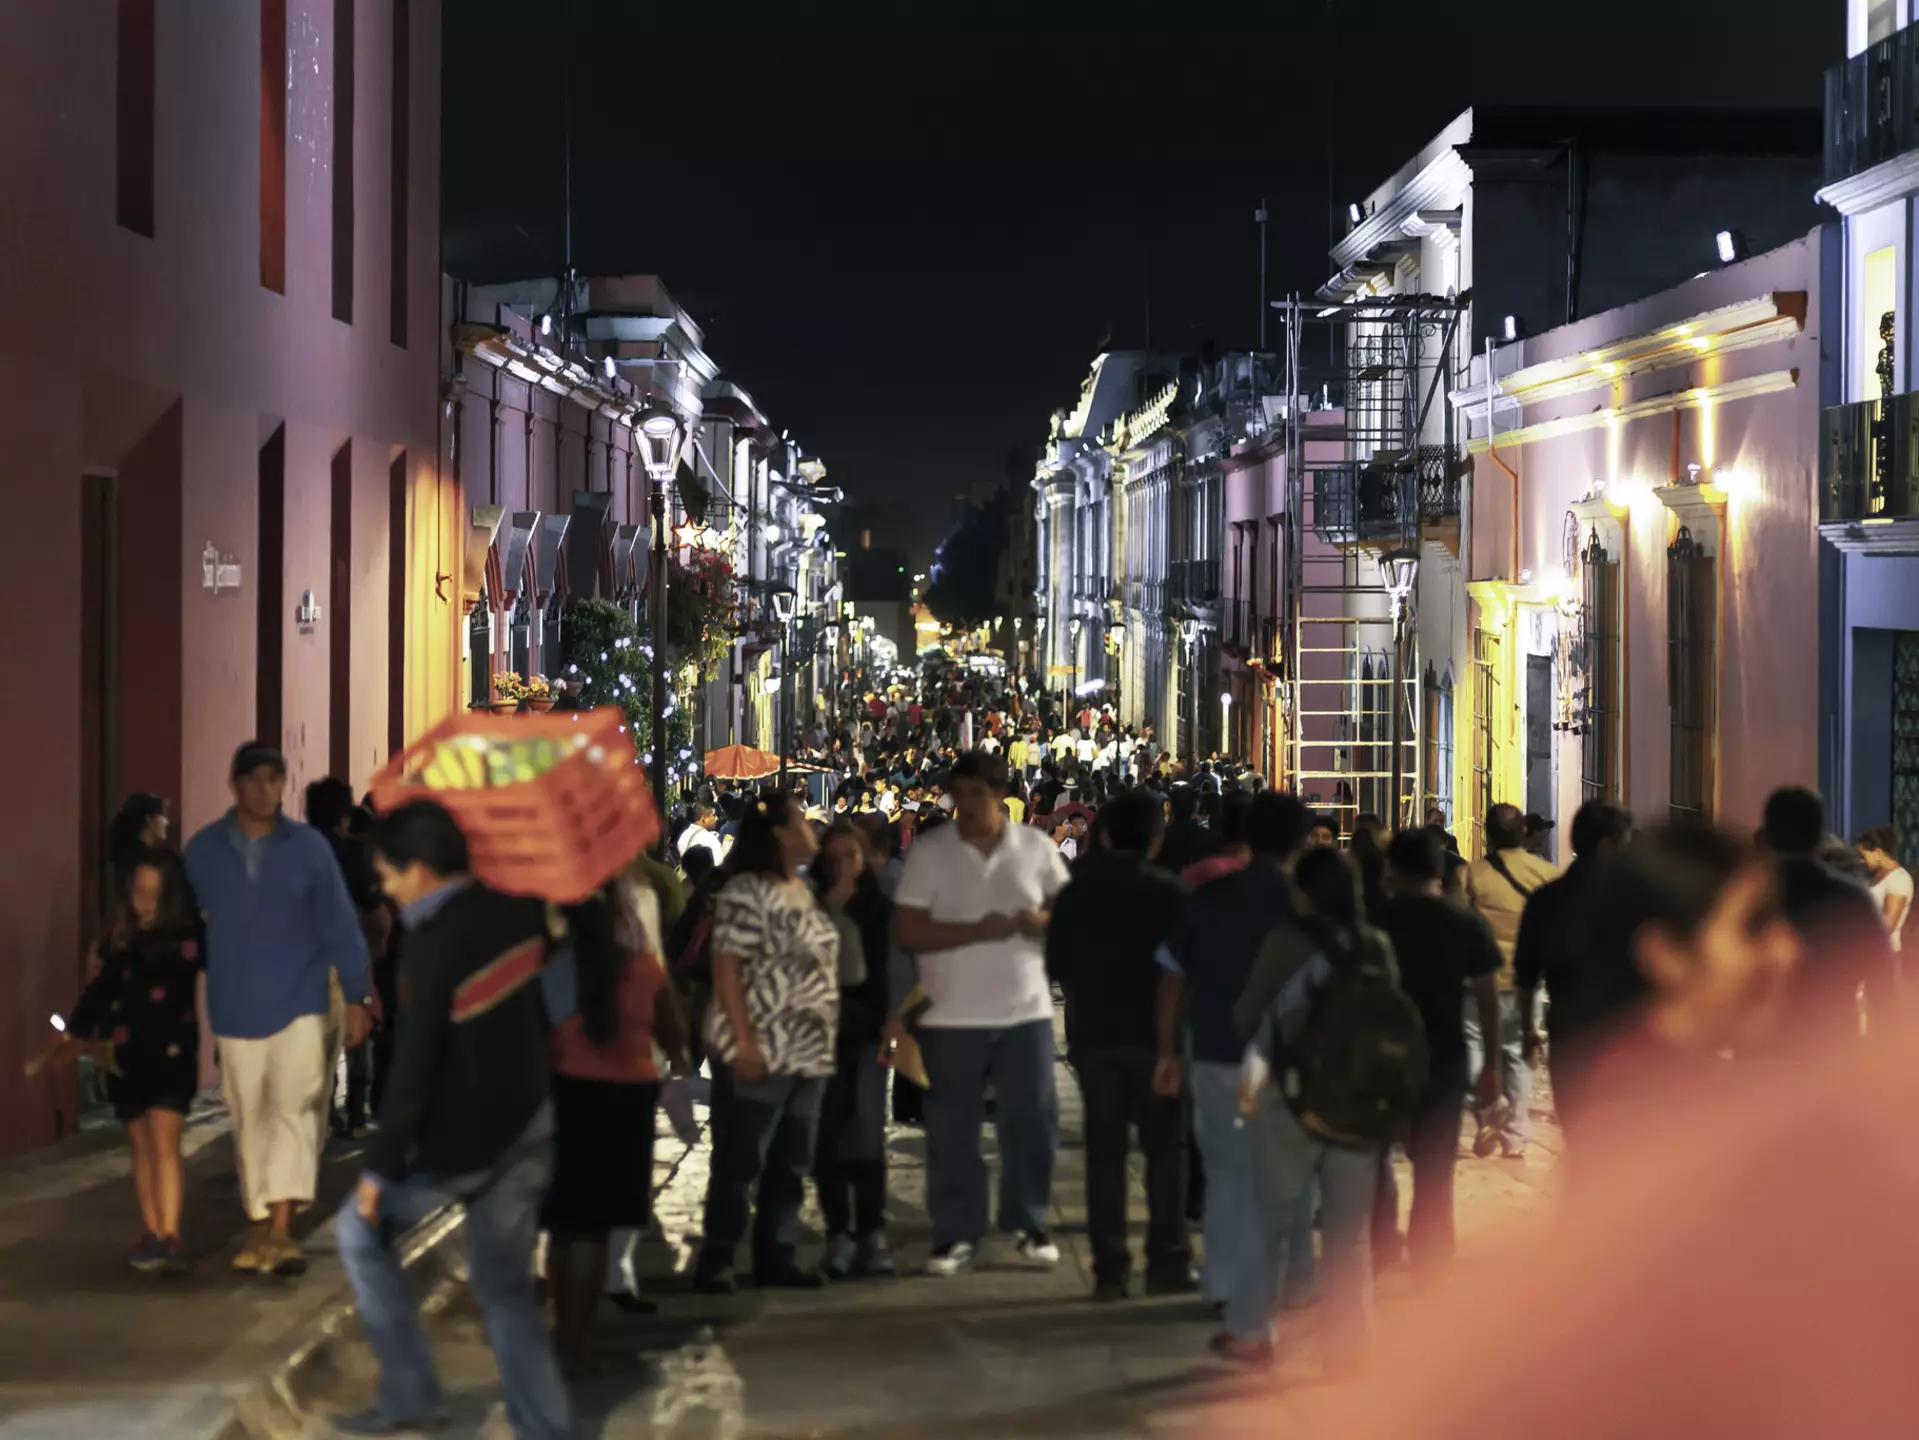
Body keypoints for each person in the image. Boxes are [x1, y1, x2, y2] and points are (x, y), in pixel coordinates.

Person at [333, 801, 571, 1440]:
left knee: (358, 1233)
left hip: (468, 1144)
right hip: (529, 1129)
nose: (384, 886)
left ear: (421, 868)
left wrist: (378, 1171)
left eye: (388, 871)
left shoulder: (432, 945)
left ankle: (411, 1393)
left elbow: (413, 1069)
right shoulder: (519, 913)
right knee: (505, 1291)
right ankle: (546, 1427)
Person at [183, 742, 373, 1277]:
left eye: (274, 779)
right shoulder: (203, 852)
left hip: (300, 1001)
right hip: (236, 1006)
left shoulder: (309, 850)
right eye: (254, 779)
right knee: (250, 1116)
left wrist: (357, 994)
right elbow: (182, 925)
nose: (265, 790)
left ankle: (281, 1227)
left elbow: (339, 921)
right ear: (236, 785)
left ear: (283, 785)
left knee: (293, 1111)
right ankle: (261, 1216)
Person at [893, 749, 1069, 1276]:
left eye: (976, 794)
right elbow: (908, 928)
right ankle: (955, 1231)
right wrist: (975, 930)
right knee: (951, 1127)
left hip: (1026, 1010)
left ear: (997, 795)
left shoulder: (1034, 848)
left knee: (1033, 1119)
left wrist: (1041, 920)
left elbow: (1067, 910)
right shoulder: (932, 853)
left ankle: (1029, 1220)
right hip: (952, 1013)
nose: (965, 805)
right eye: (959, 794)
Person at [1229, 847, 1399, 1374]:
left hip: (1293, 1100)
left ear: (1304, 894)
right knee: (1348, 1237)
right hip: (1357, 1107)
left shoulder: (1284, 942)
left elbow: (1246, 1015)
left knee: (1271, 1220)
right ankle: (1348, 1347)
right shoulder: (1376, 945)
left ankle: (1253, 1332)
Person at [1156, 792, 1310, 1331]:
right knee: (1287, 1176)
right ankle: (1286, 1284)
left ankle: (1221, 1282)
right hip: (1286, 1060)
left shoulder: (1212, 897)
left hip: (1218, 1053)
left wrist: (1167, 1051)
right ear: (1299, 841)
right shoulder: (1305, 902)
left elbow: (1172, 980)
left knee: (1225, 1172)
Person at [1046, 791, 1191, 1300]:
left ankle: (1110, 1269)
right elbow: (1188, 971)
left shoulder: (1077, 889)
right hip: (1158, 1039)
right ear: (1155, 840)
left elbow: (1054, 964)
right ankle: (1166, 1262)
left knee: (1105, 1156)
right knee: (1165, 1153)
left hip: (1095, 1036)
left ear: (1103, 836)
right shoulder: (1172, 893)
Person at [694, 792, 842, 1294]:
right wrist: (742, 1039)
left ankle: (776, 1254)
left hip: (807, 1048)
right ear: (778, 832)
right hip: (762, 1042)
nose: (810, 828)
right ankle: (718, 1256)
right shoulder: (745, 893)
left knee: (791, 1160)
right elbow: (728, 968)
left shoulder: (802, 889)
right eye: (801, 819)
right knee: (741, 1158)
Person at [545, 879, 689, 1369]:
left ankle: (563, 1332)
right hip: (624, 1098)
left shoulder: (555, 963)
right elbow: (674, 1035)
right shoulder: (643, 968)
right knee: (594, 1229)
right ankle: (575, 1342)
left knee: (565, 1225)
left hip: (565, 1093)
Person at [63, 848, 202, 1274]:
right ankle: (153, 1229)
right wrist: (76, 1032)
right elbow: (100, 991)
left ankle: (170, 1232)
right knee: (141, 1145)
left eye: (155, 893)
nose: (146, 901)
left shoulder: (185, 939)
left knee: (165, 1142)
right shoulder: (118, 940)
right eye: (140, 891)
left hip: (172, 1052)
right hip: (127, 1055)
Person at [1377, 829, 1502, 1289]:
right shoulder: (1463, 922)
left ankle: (1382, 1238)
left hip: (1382, 1057)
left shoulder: (1377, 920)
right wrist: (1491, 1064)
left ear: (1393, 867)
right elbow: (1488, 996)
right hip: (1444, 1056)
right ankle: (1431, 1257)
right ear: (1439, 868)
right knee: (1435, 1165)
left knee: (1374, 1156)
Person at [1513, 799, 1635, 1138]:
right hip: (1626, 1036)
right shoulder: (1635, 898)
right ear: (1608, 844)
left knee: (1578, 1134)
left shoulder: (1547, 899)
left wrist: (1528, 1029)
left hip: (1569, 1032)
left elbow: (1526, 974)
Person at [812, 823, 898, 1280]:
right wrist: (829, 904)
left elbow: (883, 970)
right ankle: (837, 1233)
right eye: (836, 856)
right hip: (819, 1030)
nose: (845, 864)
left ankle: (871, 1233)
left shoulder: (877, 905)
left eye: (853, 854)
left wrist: (891, 1023)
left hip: (867, 1031)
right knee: (826, 1134)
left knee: (865, 1131)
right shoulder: (811, 902)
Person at [1760, 787, 1895, 1039]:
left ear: (1769, 834)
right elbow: (1882, 982)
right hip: (1832, 1038)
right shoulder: (1850, 899)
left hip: (1766, 1046)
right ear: (1818, 835)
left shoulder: (1748, 903)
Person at [1465, 802, 1559, 1158]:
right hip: (1527, 980)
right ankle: (1517, 1136)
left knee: (1474, 1054)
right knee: (1519, 1057)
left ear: (1487, 834)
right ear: (1523, 833)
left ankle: (1492, 1110)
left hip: (1479, 981)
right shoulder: (1546, 874)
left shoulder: (1471, 875)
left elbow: (1462, 925)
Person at [307, 777, 393, 1139]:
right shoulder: (349, 854)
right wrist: (377, 950)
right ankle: (351, 1117)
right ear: (344, 817)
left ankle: (319, 1117)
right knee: (352, 1043)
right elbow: (377, 914)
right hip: (340, 965)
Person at [1856, 825, 1913, 952]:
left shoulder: (1899, 879)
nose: (1861, 860)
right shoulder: (1872, 877)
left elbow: (1888, 924)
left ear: (1877, 852)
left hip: (1885, 955)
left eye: (1863, 855)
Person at [677, 803, 728, 868]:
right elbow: (718, 866)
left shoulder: (683, 837)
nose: (716, 818)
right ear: (704, 818)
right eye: (713, 815)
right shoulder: (711, 840)